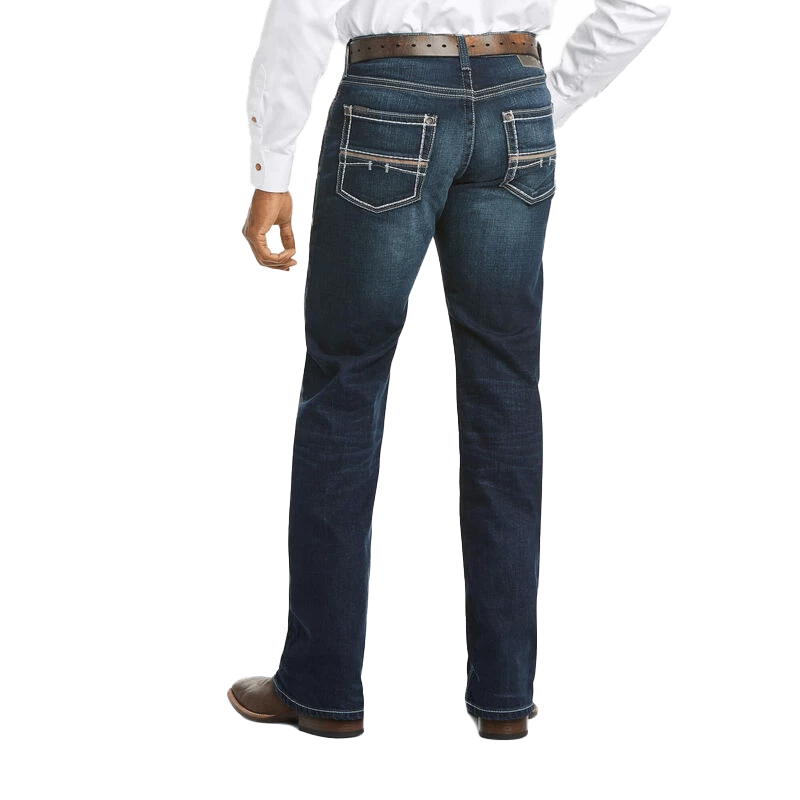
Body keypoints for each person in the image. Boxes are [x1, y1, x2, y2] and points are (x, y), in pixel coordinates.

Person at [233, 0, 672, 740]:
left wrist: (272, 166)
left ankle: (322, 687)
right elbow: (646, 3)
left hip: (389, 99)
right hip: (517, 95)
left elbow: (304, 5)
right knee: (506, 388)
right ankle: (506, 698)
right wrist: (548, 97)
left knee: (344, 387)